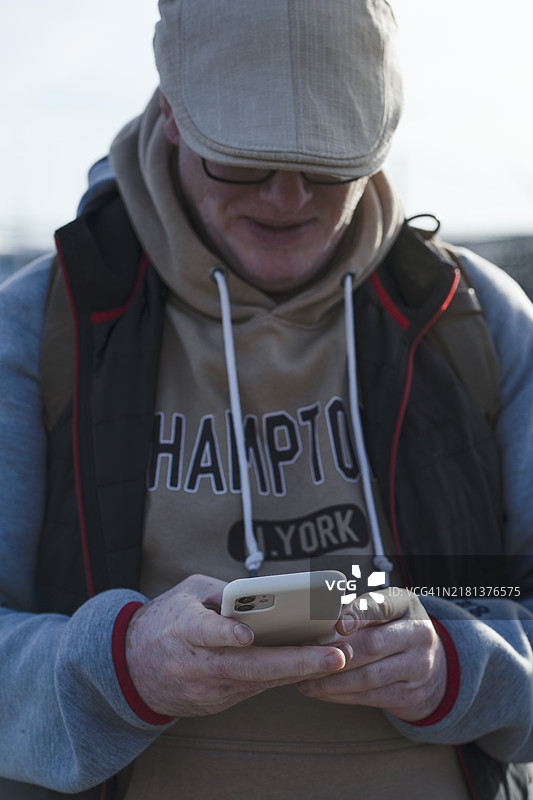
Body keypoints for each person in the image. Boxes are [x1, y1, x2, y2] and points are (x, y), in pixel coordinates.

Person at [1, 0, 532, 797]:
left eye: (326, 162)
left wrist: (458, 664)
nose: (287, 199)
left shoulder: (476, 319)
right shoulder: (37, 326)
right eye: (240, 159)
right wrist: (122, 662)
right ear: (174, 114)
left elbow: (508, 596)